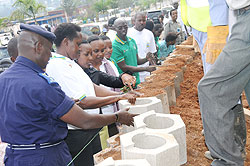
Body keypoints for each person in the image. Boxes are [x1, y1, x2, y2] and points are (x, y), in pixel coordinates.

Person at [0, 23, 136, 166]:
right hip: (45, 156)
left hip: (15, 156)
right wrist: (117, 117)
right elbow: (85, 121)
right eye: (48, 50)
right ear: (39, 47)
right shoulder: (41, 83)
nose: (49, 56)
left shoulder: (3, 79)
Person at [45, 23, 137, 166]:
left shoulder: (69, 62)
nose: (79, 48)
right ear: (65, 42)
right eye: (77, 44)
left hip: (88, 128)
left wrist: (120, 95)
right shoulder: (57, 66)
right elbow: (83, 101)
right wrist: (117, 97)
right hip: (78, 133)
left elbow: (91, 87)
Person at [197, 1, 250, 165]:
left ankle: (227, 161)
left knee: (212, 90)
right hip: (240, 18)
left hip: (245, 21)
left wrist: (220, 25)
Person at [112, 18, 156, 87]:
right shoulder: (115, 46)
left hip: (136, 81)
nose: (123, 29)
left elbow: (137, 61)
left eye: (125, 27)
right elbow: (124, 67)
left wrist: (146, 59)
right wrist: (146, 69)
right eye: (120, 28)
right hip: (126, 84)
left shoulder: (131, 41)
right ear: (115, 29)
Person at [127, 12, 157, 82]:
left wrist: (154, 67)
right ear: (134, 21)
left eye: (143, 20)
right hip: (132, 73)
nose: (142, 22)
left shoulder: (149, 34)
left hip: (146, 72)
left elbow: (152, 53)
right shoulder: (128, 34)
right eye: (139, 20)